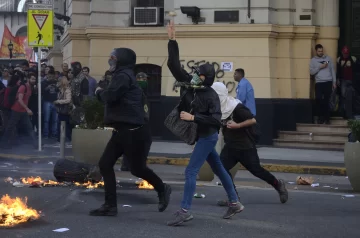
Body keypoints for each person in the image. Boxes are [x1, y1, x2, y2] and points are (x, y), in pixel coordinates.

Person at [166, 20, 243, 227]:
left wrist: (193, 118)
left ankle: (184, 211)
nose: (194, 75)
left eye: (198, 74)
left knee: (190, 172)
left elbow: (216, 120)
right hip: (202, 134)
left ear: (205, 78)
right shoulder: (192, 85)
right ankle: (234, 202)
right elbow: (173, 65)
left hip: (208, 135)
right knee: (219, 168)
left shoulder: (210, 95)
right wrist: (172, 40)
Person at [89, 47, 171, 216]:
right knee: (105, 164)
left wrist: (98, 92)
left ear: (121, 60)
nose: (110, 60)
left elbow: (110, 96)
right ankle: (110, 205)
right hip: (123, 130)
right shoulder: (122, 75)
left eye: (113, 57)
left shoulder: (123, 76)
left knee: (137, 169)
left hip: (134, 131)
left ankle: (162, 188)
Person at [211, 82, 288, 206]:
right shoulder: (218, 107)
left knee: (257, 170)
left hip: (245, 146)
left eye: (214, 95)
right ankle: (233, 198)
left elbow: (252, 120)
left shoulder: (236, 107)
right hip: (230, 146)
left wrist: (238, 125)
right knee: (220, 168)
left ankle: (278, 184)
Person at [0, 71, 37, 149]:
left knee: (29, 127)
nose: (34, 80)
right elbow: (20, 100)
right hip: (16, 110)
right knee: (10, 127)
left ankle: (36, 144)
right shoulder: (23, 87)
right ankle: (3, 144)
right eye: (32, 79)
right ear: (28, 79)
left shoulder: (31, 88)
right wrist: (27, 109)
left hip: (23, 111)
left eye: (35, 79)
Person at [121, 72, 149, 172]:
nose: (144, 81)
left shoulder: (138, 90)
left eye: (145, 79)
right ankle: (131, 165)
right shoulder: (137, 91)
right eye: (143, 79)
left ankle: (128, 164)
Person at [310, 44, 336, 124]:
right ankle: (320, 117)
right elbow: (311, 72)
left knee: (327, 101)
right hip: (319, 83)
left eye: (321, 51)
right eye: (319, 51)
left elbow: (332, 70)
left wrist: (334, 82)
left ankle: (327, 119)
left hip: (328, 82)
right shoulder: (313, 60)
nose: (321, 52)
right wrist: (320, 67)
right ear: (316, 51)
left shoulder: (328, 59)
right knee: (318, 99)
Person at [337, 46, 357, 119]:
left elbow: (356, 70)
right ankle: (344, 113)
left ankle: (350, 113)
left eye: (347, 53)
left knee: (351, 97)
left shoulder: (353, 59)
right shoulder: (339, 59)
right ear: (342, 52)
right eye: (344, 53)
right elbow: (338, 70)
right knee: (343, 97)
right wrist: (338, 79)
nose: (346, 54)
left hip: (351, 80)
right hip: (343, 80)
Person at [54, 76, 73, 142]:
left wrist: (58, 101)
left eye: (59, 81)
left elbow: (68, 100)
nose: (57, 83)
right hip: (61, 110)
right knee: (60, 124)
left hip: (65, 110)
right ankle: (60, 138)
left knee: (65, 125)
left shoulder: (67, 90)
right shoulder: (60, 90)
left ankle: (68, 138)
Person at [42, 69, 59, 139]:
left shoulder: (57, 82)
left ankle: (54, 134)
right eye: (50, 76)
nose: (51, 77)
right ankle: (46, 134)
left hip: (56, 101)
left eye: (52, 76)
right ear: (47, 75)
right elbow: (41, 92)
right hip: (47, 102)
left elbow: (60, 91)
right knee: (46, 119)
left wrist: (56, 87)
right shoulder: (44, 82)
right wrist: (47, 88)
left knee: (55, 120)